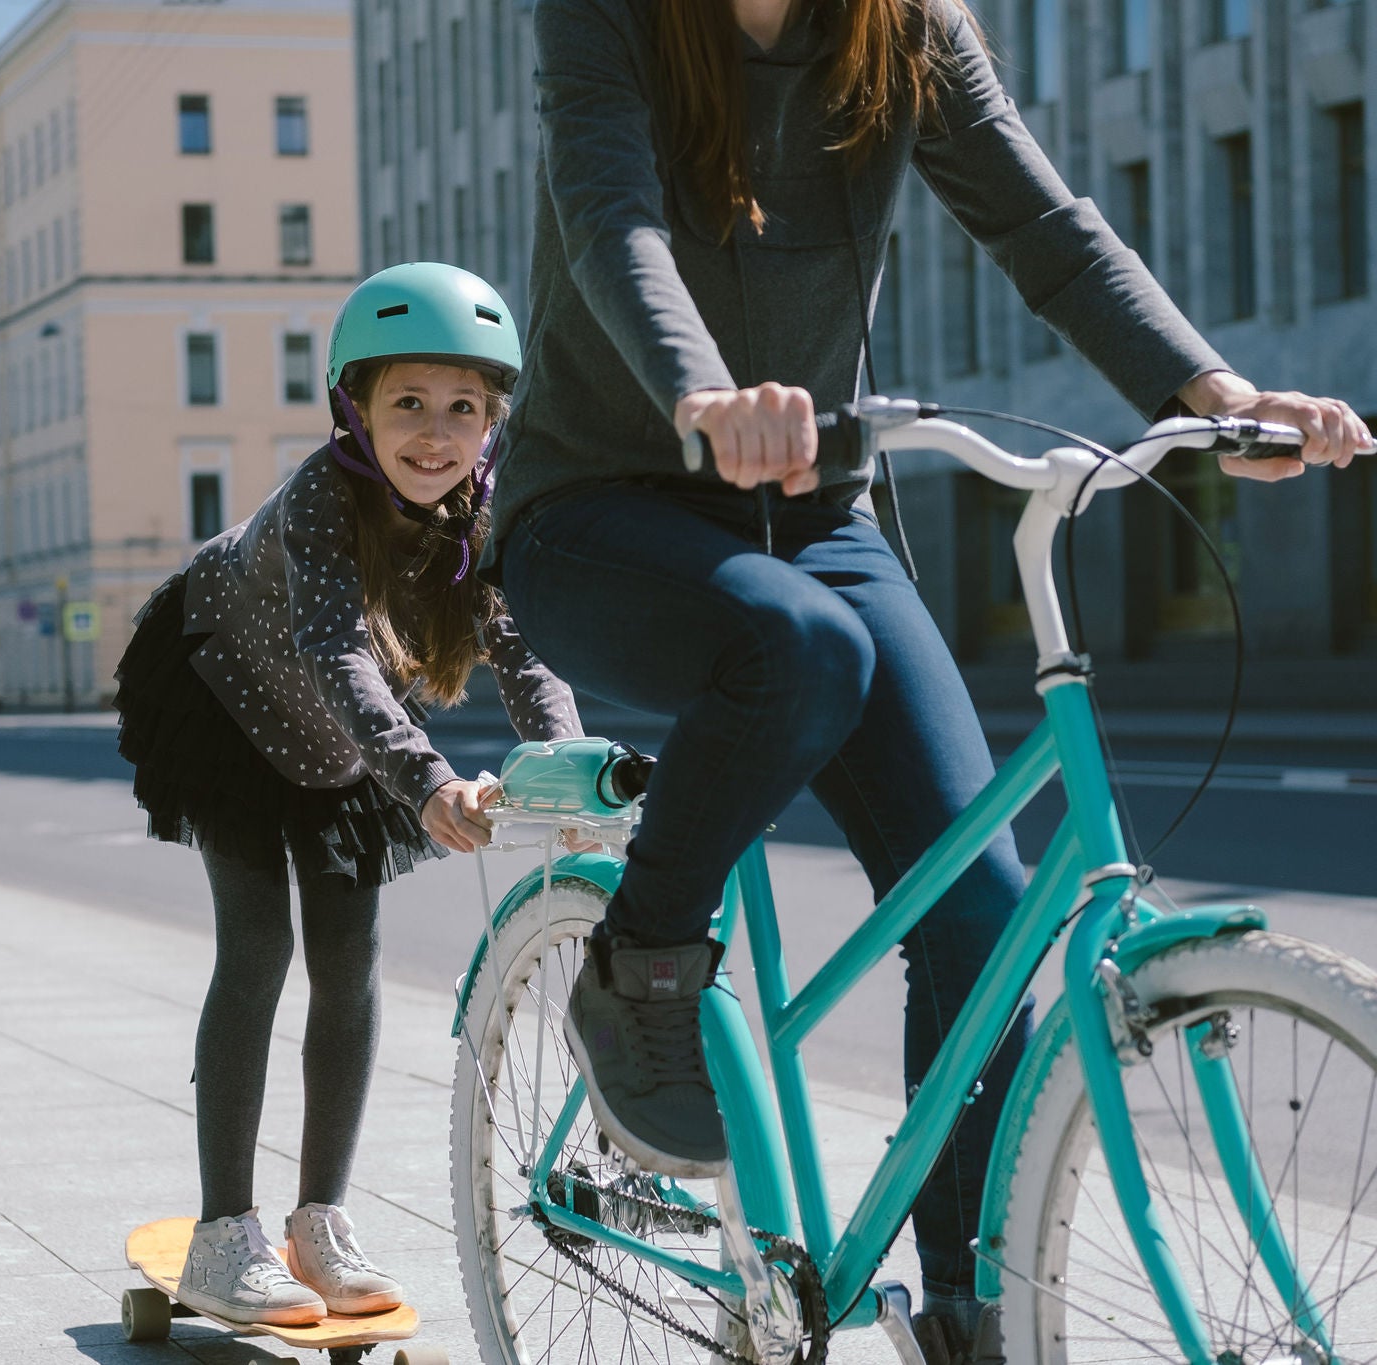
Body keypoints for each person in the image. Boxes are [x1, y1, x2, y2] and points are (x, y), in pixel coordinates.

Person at [483, 0, 1374, 1358]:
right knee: (795, 648)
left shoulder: (903, 30)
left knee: (984, 918)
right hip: (599, 505)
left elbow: (1045, 229)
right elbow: (614, 215)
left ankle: (964, 1308)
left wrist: (1206, 390)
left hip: (815, 510)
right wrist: (704, 396)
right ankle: (642, 961)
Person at [114, 263, 583, 1327]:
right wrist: (422, 784)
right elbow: (335, 649)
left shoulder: (484, 511)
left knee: (349, 961)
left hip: (340, 734)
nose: (435, 431)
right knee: (259, 949)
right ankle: (223, 1233)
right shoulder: (325, 500)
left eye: (462, 407)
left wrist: (566, 763)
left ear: (490, 421)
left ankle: (316, 1219)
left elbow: (520, 647)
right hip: (226, 693)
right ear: (352, 409)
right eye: (406, 403)